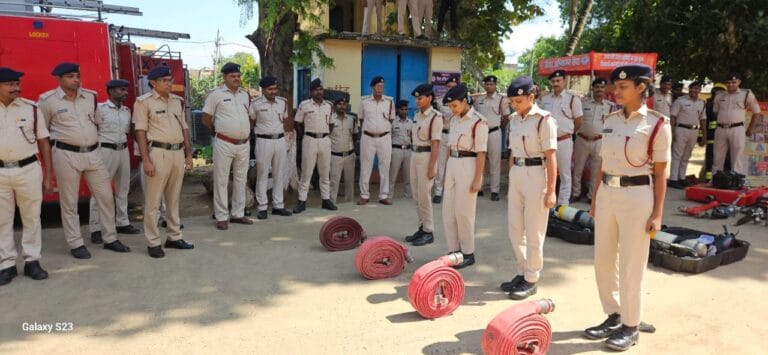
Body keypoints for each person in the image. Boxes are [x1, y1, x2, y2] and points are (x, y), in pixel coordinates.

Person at [584, 64, 671, 351]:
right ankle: (614, 314)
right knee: (603, 260)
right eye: (615, 86)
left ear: (641, 88)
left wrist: (657, 213)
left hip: (637, 197)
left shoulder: (658, 124)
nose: (616, 91)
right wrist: (595, 199)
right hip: (608, 192)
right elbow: (602, 165)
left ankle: (631, 325)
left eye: (623, 87)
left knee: (631, 263)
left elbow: (660, 173)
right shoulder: (610, 119)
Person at [38, 62, 130, 259]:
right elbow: (43, 133)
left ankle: (110, 238)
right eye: (71, 76)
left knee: (105, 195)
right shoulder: (47, 101)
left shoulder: (90, 97)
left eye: (77, 76)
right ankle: (76, 242)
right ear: (59, 79)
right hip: (65, 154)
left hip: (93, 153)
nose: (76, 80)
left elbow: (95, 122)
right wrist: (48, 167)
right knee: (69, 201)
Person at [500, 76, 557, 300]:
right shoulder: (514, 120)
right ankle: (522, 271)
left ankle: (532, 278)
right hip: (518, 173)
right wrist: (510, 179)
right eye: (512, 101)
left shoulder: (545, 120)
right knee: (515, 228)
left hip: (536, 174)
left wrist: (551, 190)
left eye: (519, 100)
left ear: (531, 97)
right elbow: (513, 152)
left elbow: (551, 157)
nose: (515, 105)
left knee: (534, 230)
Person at [133, 66, 195, 258]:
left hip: (177, 153)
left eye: (170, 80)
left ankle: (174, 237)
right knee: (153, 201)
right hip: (158, 153)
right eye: (164, 80)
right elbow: (140, 132)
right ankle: (153, 242)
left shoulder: (177, 101)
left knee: (174, 198)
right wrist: (146, 160)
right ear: (153, 83)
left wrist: (188, 154)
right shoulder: (143, 103)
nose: (169, 83)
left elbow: (184, 128)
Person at [0, 67, 52, 284]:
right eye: (10, 84)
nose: (16, 87)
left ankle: (32, 261)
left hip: (28, 169)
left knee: (32, 217)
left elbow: (43, 142)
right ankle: (7, 264)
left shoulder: (31, 108)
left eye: (17, 83)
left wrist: (48, 175)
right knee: (2, 220)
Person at [201, 63, 254, 230]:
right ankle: (222, 215)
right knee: (221, 179)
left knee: (241, 179)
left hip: (244, 144)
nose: (237, 79)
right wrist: (218, 132)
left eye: (238, 76)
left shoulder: (245, 95)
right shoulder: (216, 95)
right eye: (233, 76)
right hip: (224, 143)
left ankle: (238, 214)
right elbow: (206, 119)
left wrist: (244, 131)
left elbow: (251, 117)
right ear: (225, 77)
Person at [441, 84, 488, 269]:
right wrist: (445, 171)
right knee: (448, 211)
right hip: (453, 163)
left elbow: (481, 152)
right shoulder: (454, 120)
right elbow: (449, 147)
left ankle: (467, 252)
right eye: (450, 106)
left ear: (464, 101)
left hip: (468, 164)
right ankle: (454, 250)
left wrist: (478, 178)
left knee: (464, 212)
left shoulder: (478, 122)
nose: (452, 109)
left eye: (454, 105)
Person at [89, 79, 141, 243]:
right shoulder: (100, 110)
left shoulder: (126, 111)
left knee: (123, 188)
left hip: (122, 150)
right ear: (110, 91)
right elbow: (93, 130)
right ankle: (96, 228)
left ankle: (122, 222)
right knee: (100, 189)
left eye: (125, 89)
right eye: (120, 90)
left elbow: (129, 132)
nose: (125, 92)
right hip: (105, 150)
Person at [405, 84, 443, 247]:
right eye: (416, 98)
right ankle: (421, 227)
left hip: (427, 157)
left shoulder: (435, 117)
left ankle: (428, 231)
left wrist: (432, 166)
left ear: (429, 98)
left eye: (420, 98)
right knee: (416, 195)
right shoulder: (417, 115)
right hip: (415, 155)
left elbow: (435, 144)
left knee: (424, 196)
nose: (417, 101)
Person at [538, 70, 583, 205]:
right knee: (544, 172)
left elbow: (579, 121)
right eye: (553, 81)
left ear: (564, 81)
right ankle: (545, 200)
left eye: (558, 81)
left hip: (564, 141)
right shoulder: (545, 99)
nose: (556, 83)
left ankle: (562, 205)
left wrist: (568, 133)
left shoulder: (573, 99)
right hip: (546, 142)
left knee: (564, 174)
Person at [251, 76, 293, 219]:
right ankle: (262, 207)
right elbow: (252, 122)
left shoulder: (283, 102)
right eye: (270, 89)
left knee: (279, 173)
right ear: (263, 90)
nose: (273, 91)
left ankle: (278, 205)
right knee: (262, 174)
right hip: (263, 141)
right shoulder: (255, 103)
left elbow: (285, 119)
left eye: (275, 88)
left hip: (280, 140)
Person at [294, 78, 336, 213]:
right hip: (310, 139)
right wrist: (304, 136)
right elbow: (297, 123)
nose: (319, 92)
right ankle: (301, 201)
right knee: (307, 172)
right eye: (316, 90)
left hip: (324, 140)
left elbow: (331, 123)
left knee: (325, 172)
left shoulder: (329, 105)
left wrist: (325, 134)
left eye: (321, 89)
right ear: (311, 91)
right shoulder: (304, 105)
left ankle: (325, 200)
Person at [572, 78, 615, 203]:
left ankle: (592, 196)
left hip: (599, 141)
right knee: (577, 169)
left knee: (596, 171)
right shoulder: (582, 103)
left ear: (605, 89)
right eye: (597, 87)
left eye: (602, 87)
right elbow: (576, 120)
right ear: (593, 89)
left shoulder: (610, 107)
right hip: (582, 139)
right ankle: (576, 193)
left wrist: (603, 134)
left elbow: (610, 127)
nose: (599, 90)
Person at [713, 72, 762, 175]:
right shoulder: (719, 95)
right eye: (728, 82)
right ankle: (716, 180)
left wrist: (750, 129)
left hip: (737, 129)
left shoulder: (746, 94)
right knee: (717, 156)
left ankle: (736, 181)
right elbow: (716, 112)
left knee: (737, 157)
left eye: (733, 82)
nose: (731, 85)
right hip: (721, 129)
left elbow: (757, 112)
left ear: (739, 82)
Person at [357, 76, 395, 205]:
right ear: (372, 87)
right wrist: (370, 129)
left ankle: (383, 195)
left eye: (382, 87)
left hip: (385, 137)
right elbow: (361, 119)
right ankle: (364, 194)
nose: (380, 89)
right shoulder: (364, 102)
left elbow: (391, 119)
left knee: (385, 166)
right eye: (378, 86)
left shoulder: (389, 102)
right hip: (368, 137)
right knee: (365, 166)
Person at [474, 75, 511, 201]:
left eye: (491, 84)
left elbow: (506, 117)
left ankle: (495, 190)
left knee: (495, 162)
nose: (489, 86)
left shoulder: (502, 100)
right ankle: (479, 187)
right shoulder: (479, 99)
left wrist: (499, 127)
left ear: (495, 85)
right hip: (480, 133)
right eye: (487, 84)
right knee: (480, 161)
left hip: (495, 132)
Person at [668, 81, 706, 189]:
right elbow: (673, 117)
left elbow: (703, 119)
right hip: (681, 129)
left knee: (686, 156)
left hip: (693, 131)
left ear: (700, 90)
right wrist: (672, 131)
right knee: (677, 155)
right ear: (689, 89)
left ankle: (682, 177)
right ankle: (673, 179)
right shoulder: (680, 101)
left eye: (697, 89)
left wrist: (704, 135)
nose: (695, 90)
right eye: (693, 88)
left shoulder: (701, 103)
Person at [433, 76, 458, 203]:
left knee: (455, 164)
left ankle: (451, 192)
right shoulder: (438, 102)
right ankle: (438, 191)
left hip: (456, 136)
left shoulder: (462, 103)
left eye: (453, 87)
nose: (451, 89)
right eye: (449, 87)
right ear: (445, 88)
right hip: (443, 135)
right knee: (441, 164)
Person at [329, 98, 358, 204]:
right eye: (339, 104)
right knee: (334, 181)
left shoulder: (352, 119)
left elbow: (354, 135)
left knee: (350, 181)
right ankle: (332, 202)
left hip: (349, 155)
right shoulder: (330, 119)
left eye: (344, 104)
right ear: (335, 106)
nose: (342, 106)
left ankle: (349, 202)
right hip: (335, 155)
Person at [389, 100, 413, 199]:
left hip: (408, 150)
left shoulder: (411, 122)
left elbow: (412, 137)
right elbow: (389, 137)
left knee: (408, 176)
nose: (404, 111)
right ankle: (389, 195)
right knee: (392, 175)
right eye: (402, 109)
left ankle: (408, 196)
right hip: (396, 150)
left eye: (406, 109)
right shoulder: (393, 122)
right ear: (398, 110)